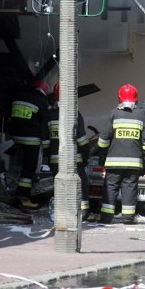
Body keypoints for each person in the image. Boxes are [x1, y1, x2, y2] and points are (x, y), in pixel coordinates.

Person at [96, 84, 145, 224]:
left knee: (110, 188)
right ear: (136, 99)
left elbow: (103, 139)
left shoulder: (113, 114)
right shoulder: (142, 116)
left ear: (119, 98)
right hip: (134, 163)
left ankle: (106, 218)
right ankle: (128, 218)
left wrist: (102, 156)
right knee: (130, 188)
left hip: (113, 163)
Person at [46, 83, 96, 221]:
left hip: (56, 160)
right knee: (81, 185)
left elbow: (45, 140)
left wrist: (48, 157)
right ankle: (83, 213)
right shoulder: (74, 114)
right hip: (74, 160)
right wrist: (86, 154)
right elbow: (81, 139)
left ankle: (61, 213)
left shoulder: (49, 115)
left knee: (60, 187)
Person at [7, 79, 51, 210]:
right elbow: (44, 125)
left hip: (14, 137)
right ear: (44, 91)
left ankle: (13, 191)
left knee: (16, 165)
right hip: (30, 139)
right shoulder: (42, 101)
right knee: (29, 168)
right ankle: (24, 197)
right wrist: (47, 147)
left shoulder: (20, 95)